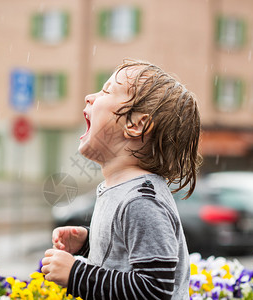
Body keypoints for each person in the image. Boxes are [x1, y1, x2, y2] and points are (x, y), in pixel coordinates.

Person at [40, 59, 202, 299]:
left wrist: (76, 274)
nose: (89, 97)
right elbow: (124, 258)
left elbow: (154, 290)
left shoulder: (142, 202)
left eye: (106, 91)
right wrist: (88, 242)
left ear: (136, 124)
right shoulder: (120, 190)